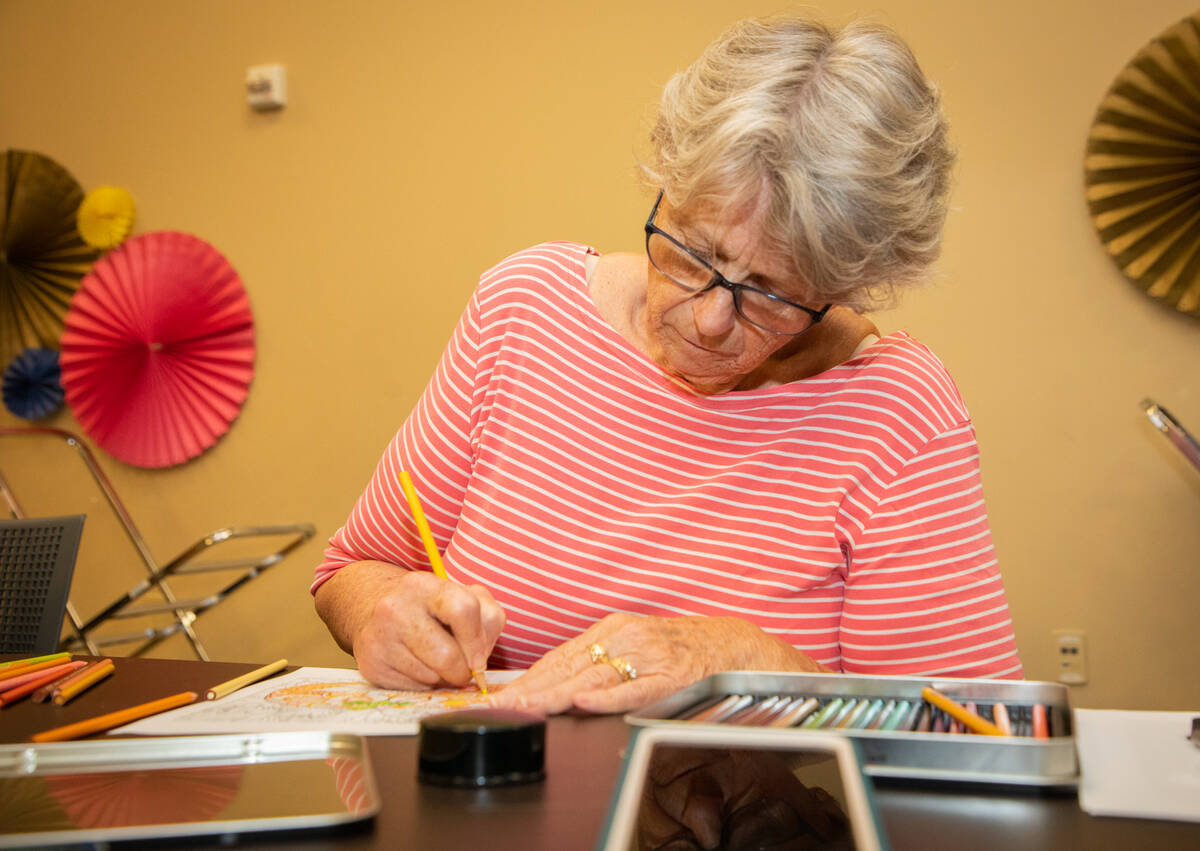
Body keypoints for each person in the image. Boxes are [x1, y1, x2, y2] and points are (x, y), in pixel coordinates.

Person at [313, 15, 1023, 716]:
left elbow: (968, 729)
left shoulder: (897, 411)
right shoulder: (522, 310)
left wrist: (750, 659)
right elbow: (349, 569)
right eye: (693, 252)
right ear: (665, 186)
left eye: (772, 293)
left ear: (842, 287)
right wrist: (381, 609)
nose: (710, 318)